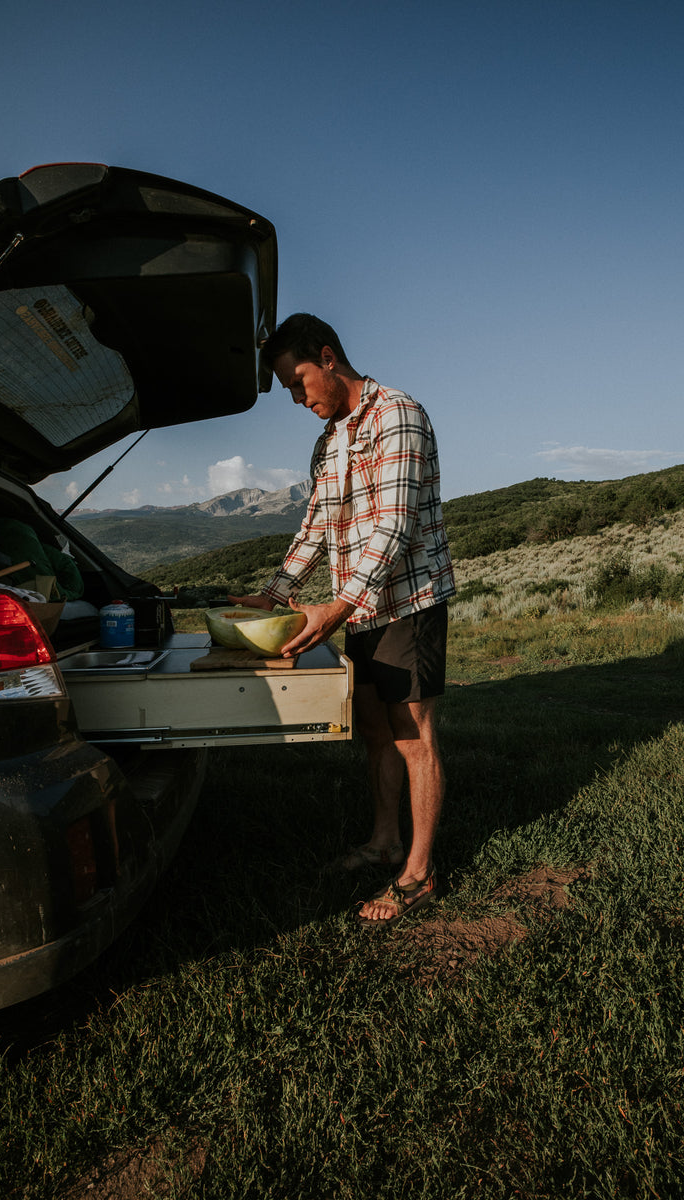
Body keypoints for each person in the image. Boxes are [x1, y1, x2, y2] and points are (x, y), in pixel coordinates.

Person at [228, 313, 455, 929]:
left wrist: (336, 605)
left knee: (414, 739)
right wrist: (276, 593)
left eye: (299, 382)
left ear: (327, 358)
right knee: (376, 734)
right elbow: (317, 526)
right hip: (360, 606)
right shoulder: (330, 440)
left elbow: (395, 524)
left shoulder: (398, 415)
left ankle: (419, 871)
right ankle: (384, 842)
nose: (299, 399)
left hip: (408, 600)